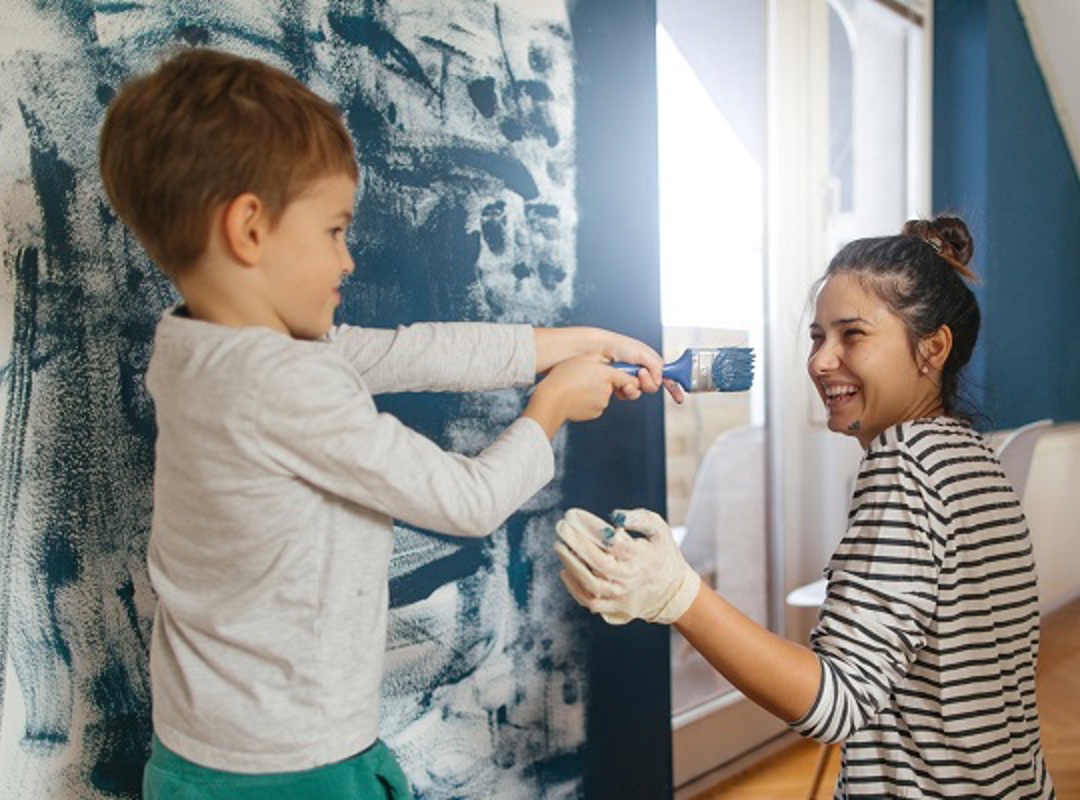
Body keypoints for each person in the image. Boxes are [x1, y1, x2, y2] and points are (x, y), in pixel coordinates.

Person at [98, 47, 675, 799]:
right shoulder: (285, 382)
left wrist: (573, 344)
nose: (347, 262)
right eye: (335, 230)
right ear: (249, 229)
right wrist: (554, 406)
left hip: (206, 749)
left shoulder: (198, 350)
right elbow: (465, 502)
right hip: (290, 770)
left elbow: (415, 353)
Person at [555, 216, 1056, 798]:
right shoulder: (970, 455)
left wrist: (677, 595)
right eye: (818, 337)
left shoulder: (904, 465)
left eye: (853, 335)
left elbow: (837, 702)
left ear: (932, 349)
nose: (820, 361)